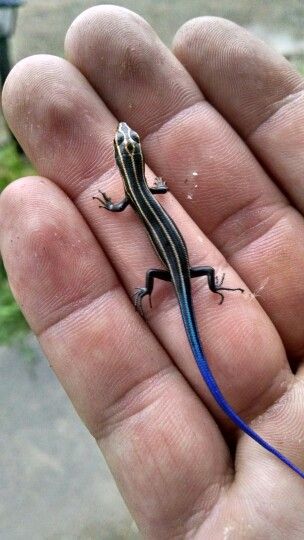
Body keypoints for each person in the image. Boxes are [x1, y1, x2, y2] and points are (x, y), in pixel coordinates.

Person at [1, 5, 303, 538]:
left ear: (128, 163)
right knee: (197, 283)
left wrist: (138, 270)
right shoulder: (147, 188)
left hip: (172, 271)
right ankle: (200, 288)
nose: (126, 138)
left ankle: (158, 289)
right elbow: (145, 198)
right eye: (126, 143)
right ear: (132, 161)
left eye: (128, 141)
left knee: (174, 286)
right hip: (183, 267)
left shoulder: (129, 195)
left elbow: (122, 209)